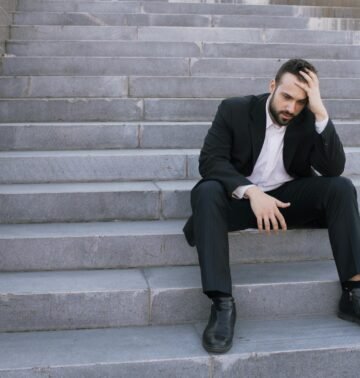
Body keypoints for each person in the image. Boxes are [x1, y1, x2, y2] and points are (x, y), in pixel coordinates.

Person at [183, 58, 360, 354]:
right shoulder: (235, 109)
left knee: (342, 187)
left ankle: (354, 294)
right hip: (240, 202)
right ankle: (222, 305)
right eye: (286, 97)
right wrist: (252, 192)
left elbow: (333, 168)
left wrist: (319, 112)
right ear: (272, 86)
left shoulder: (306, 119)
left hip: (286, 201)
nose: (291, 108)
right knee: (207, 191)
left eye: (300, 102)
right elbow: (210, 161)